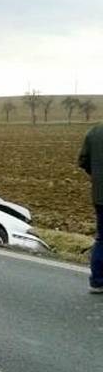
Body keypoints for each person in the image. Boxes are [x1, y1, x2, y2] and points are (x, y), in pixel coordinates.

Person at [79, 124, 103, 292]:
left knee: (102, 238)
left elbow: (83, 160)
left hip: (100, 195)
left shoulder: (95, 131)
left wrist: (96, 175)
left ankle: (97, 281)